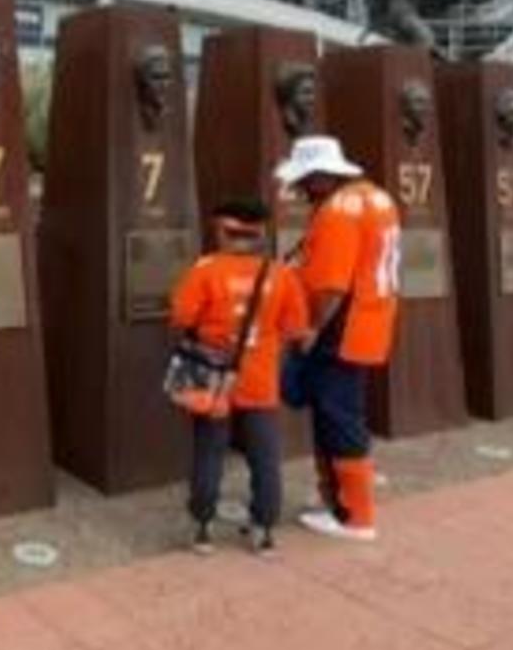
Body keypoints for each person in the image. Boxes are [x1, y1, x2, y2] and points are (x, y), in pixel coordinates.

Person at [168, 198, 308, 556]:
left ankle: (202, 526)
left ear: (225, 233)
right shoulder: (281, 274)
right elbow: (295, 329)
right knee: (265, 457)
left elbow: (181, 317)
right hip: (261, 381)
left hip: (214, 380)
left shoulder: (205, 270)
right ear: (261, 234)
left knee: (209, 451)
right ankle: (263, 530)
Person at [277, 135, 401, 542]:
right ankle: (341, 496)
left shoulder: (336, 213)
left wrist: (312, 327)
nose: (297, 191)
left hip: (339, 329)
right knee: (345, 410)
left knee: (336, 415)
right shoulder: (377, 198)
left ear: (318, 177)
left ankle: (355, 515)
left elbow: (331, 284)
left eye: (302, 182)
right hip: (370, 321)